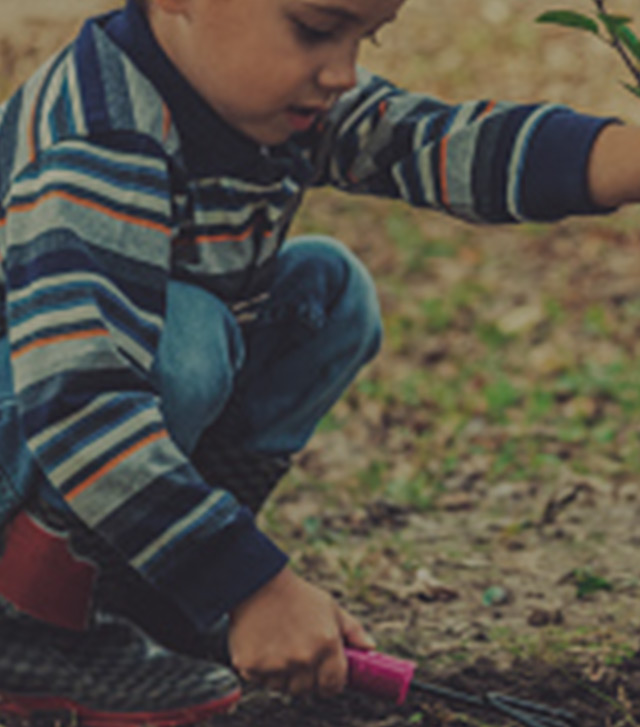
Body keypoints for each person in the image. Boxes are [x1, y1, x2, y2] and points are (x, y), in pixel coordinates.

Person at [0, 0, 638, 723]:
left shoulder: (256, 92)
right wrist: (253, 585)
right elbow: (79, 409)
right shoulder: (97, 138)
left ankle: (149, 598)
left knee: (326, 295)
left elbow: (435, 141)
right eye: (313, 29)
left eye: (364, 38)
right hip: (45, 429)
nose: (343, 72)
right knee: (189, 340)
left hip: (80, 442)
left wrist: (625, 157)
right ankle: (32, 629)